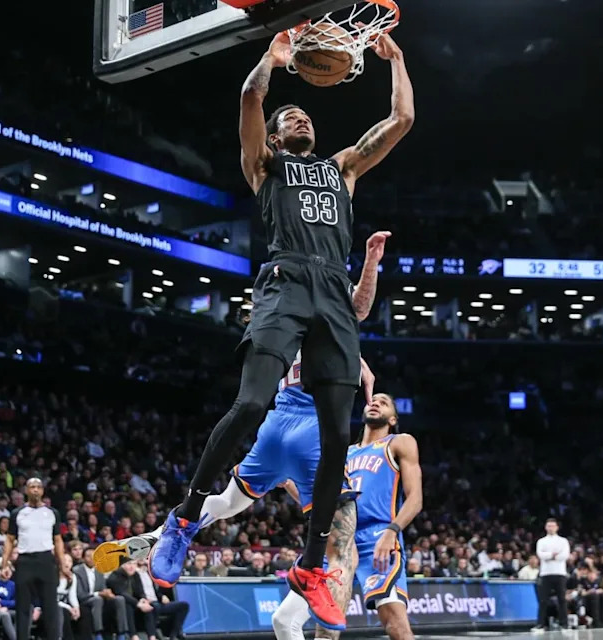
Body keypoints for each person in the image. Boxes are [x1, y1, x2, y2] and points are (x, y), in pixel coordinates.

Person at [150, 25, 413, 631]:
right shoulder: (264, 166)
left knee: (335, 436)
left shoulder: (343, 168)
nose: (302, 120)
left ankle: (314, 564)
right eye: (290, 116)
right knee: (250, 403)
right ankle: (186, 517)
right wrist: (272, 62)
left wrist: (395, 60)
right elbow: (250, 99)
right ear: (273, 135)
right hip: (285, 282)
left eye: (305, 117)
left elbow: (400, 119)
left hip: (333, 291)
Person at [94, 242, 389, 575]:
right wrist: (371, 263)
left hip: (276, 423)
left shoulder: (281, 326)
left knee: (227, 502)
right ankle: (317, 611)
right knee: (340, 545)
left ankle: (159, 535)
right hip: (312, 429)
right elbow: (359, 311)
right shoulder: (330, 315)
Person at [272, 393, 423, 640]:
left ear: (393, 419)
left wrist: (392, 531)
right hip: (338, 538)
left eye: (383, 402)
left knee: (395, 624)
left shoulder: (399, 442)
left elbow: (415, 499)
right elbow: (321, 503)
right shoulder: (343, 454)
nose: (375, 403)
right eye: (372, 400)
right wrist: (287, 482)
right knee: (296, 622)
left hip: (376, 537)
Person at [2, 477, 69, 640]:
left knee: (50, 607)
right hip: (25, 561)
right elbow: (10, 539)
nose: (35, 490)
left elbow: (58, 540)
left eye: (38, 487)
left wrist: (63, 565)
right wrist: (5, 563)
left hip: (46, 560)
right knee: (23, 608)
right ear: (26, 490)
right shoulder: (17, 513)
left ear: (42, 490)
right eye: (31, 487)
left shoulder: (52, 513)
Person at [74, 547, 128, 640]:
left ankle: (121, 633)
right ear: (83, 558)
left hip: (99, 598)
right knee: (97, 599)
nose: (91, 558)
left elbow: (103, 588)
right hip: (85, 600)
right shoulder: (77, 571)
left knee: (119, 599)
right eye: (88, 556)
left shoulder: (99, 570)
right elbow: (80, 595)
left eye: (94, 556)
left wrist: (108, 593)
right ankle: (98, 634)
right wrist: (98, 594)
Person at [532, 518, 570, 632]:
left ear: (557, 527)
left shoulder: (563, 541)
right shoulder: (541, 541)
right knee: (543, 600)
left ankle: (564, 624)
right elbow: (540, 554)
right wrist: (552, 555)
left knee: (562, 599)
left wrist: (550, 556)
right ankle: (540, 624)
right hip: (546, 573)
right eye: (549, 526)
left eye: (553, 526)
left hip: (560, 573)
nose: (551, 528)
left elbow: (565, 555)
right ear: (545, 527)